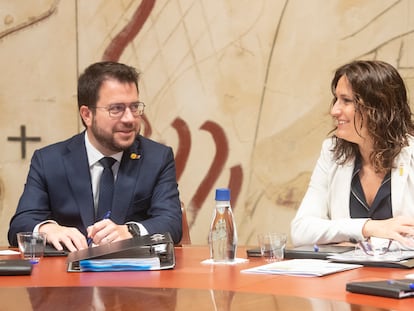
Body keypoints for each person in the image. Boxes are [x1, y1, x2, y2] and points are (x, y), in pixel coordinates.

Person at [8, 61, 182, 251]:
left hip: (133, 274)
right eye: (116, 109)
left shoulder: (156, 158)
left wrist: (130, 231)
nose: (129, 119)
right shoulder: (49, 161)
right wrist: (47, 229)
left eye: (134, 107)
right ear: (87, 115)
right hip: (66, 275)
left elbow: (171, 223)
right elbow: (20, 224)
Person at [291, 60, 414, 248]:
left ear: (378, 107)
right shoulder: (332, 152)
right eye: (336, 100)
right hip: (346, 276)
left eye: (346, 100)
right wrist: (366, 228)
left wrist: (355, 244)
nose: (334, 111)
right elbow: (301, 231)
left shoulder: (411, 153)